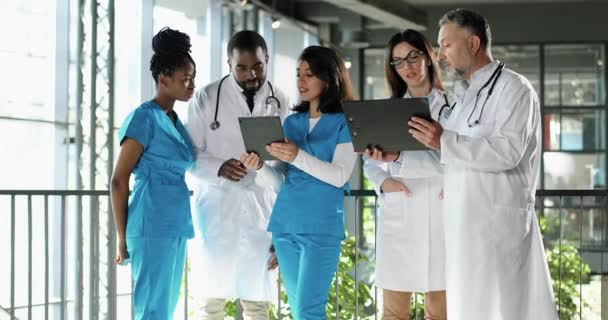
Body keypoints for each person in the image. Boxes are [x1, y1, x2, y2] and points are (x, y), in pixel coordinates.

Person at [408, 8, 557, 319]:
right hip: (463, 229)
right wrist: (398, 157)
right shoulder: (464, 99)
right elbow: (453, 159)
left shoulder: (515, 90)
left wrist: (444, 141)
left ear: (473, 44)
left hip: (497, 229)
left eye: (446, 45)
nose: (440, 55)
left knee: (503, 310)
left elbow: (506, 151)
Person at [240, 46, 357, 320]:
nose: (300, 81)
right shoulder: (291, 123)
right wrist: (259, 168)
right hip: (286, 225)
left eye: (309, 74)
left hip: (321, 227)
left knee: (308, 311)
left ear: (329, 78)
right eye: (298, 74)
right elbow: (281, 182)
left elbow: (339, 175)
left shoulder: (345, 122)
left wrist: (297, 155)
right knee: (298, 310)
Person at [186, 30, 290, 320]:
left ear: (267, 60)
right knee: (211, 305)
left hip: (261, 212)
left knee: (257, 304)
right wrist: (218, 167)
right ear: (229, 64)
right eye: (241, 68)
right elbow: (188, 154)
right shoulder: (207, 98)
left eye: (258, 66)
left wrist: (282, 229)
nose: (251, 74)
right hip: (218, 212)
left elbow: (288, 165)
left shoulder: (280, 100)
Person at [363, 29, 452, 320]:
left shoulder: (454, 107)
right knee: (393, 313)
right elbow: (370, 162)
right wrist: (383, 180)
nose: (408, 67)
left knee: (440, 312)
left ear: (428, 57)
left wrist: (401, 158)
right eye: (399, 62)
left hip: (441, 212)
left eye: (413, 57)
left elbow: (460, 159)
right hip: (401, 213)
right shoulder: (387, 110)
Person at [110, 27, 196, 320]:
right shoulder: (143, 117)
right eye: (185, 79)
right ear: (163, 79)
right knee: (152, 310)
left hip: (175, 223)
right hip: (150, 223)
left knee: (166, 308)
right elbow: (118, 180)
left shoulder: (174, 120)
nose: (191, 85)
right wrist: (122, 237)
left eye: (192, 78)